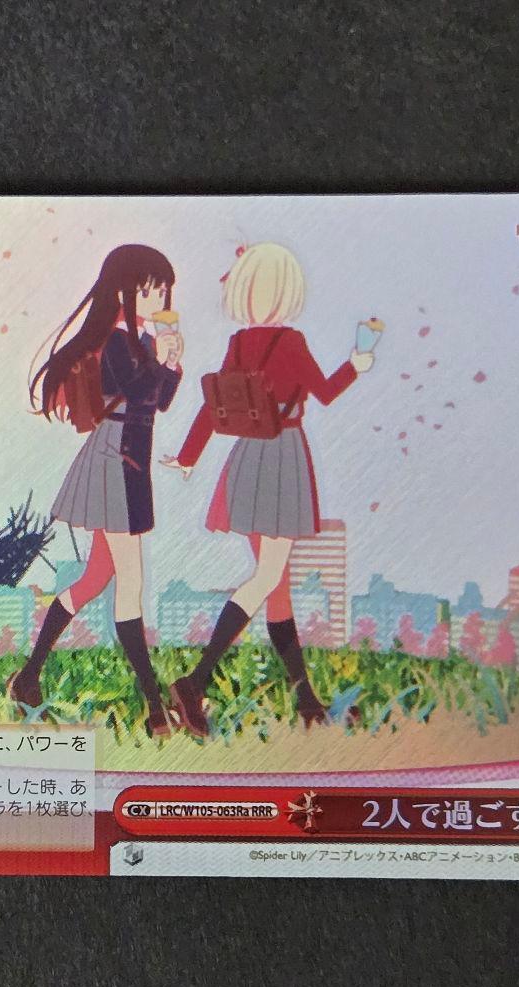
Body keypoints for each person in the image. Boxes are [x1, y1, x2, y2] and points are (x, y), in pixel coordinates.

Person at [162, 242, 374, 736]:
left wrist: (189, 456)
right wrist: (356, 366)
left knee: (277, 592)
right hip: (281, 460)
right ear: (285, 291)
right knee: (268, 578)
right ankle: (195, 681)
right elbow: (324, 393)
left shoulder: (239, 342)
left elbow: (214, 403)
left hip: (247, 462)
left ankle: (308, 703)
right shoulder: (291, 342)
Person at [9, 245, 184, 738]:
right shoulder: (118, 342)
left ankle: (27, 677)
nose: (158, 299)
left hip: (129, 461)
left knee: (94, 579)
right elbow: (141, 392)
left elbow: (160, 402)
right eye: (149, 290)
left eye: (163, 291)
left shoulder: (140, 341)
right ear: (124, 292)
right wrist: (161, 360)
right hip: (115, 460)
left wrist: (171, 364)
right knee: (130, 583)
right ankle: (154, 706)